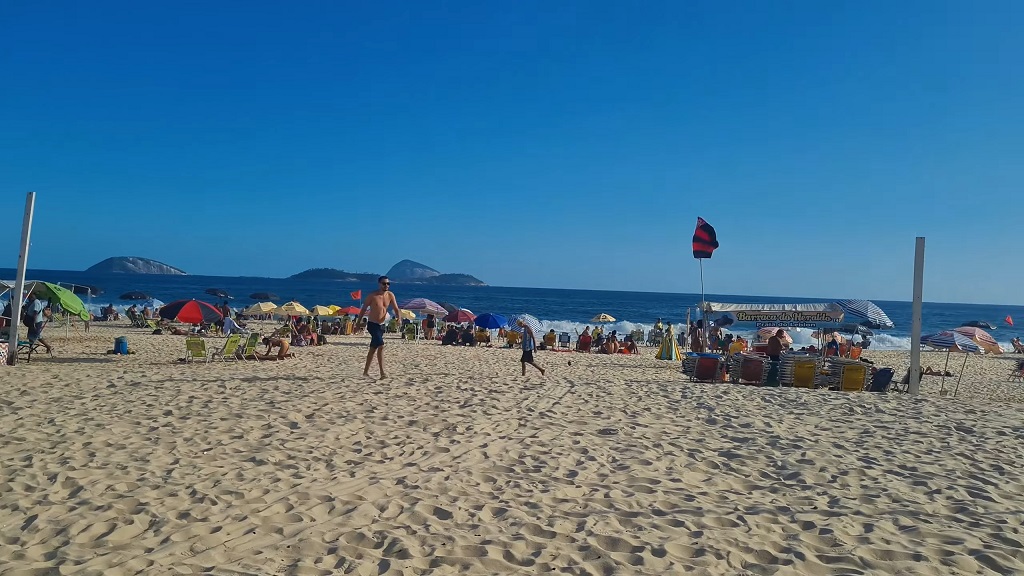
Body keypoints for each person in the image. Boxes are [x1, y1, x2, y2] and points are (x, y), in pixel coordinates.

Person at [358, 276, 402, 378]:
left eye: (388, 283)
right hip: (372, 324)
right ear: (379, 284)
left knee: (373, 348)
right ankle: (382, 373)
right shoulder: (372, 295)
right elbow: (363, 309)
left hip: (382, 325)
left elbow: (396, 308)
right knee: (381, 345)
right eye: (384, 283)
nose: (386, 285)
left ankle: (365, 372)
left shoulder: (390, 295)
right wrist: (357, 322)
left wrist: (398, 318)